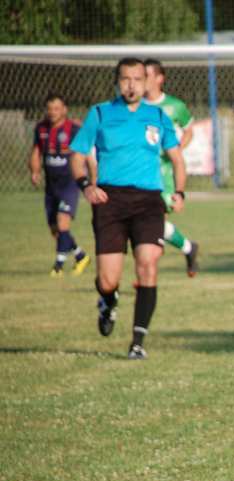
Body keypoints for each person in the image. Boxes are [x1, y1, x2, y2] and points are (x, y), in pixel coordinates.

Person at [70, 57, 187, 360]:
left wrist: (180, 192)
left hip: (149, 200)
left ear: (147, 82)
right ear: (117, 82)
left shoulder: (158, 116)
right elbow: (77, 156)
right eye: (126, 79)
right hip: (110, 200)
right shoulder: (99, 113)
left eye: (138, 78)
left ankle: (137, 342)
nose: (132, 85)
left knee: (148, 263)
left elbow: (177, 158)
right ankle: (108, 301)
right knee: (107, 280)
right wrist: (86, 186)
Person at [144, 58, 200, 276]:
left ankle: (147, 275)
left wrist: (175, 151)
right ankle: (187, 248)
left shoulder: (174, 106)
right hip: (141, 172)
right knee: (151, 224)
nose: (143, 80)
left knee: (154, 222)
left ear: (159, 78)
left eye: (147, 75)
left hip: (164, 174)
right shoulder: (134, 107)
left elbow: (189, 130)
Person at [30, 94, 91, 277]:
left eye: (57, 109)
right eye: (49, 109)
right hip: (51, 186)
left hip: (70, 183)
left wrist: (90, 180)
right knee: (56, 230)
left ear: (64, 109)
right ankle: (80, 255)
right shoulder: (41, 129)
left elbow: (86, 153)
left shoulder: (73, 129)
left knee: (63, 222)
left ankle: (58, 266)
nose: (52, 113)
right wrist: (35, 171)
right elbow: (36, 151)